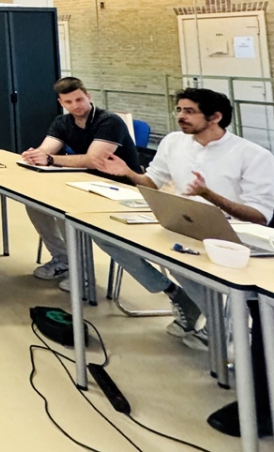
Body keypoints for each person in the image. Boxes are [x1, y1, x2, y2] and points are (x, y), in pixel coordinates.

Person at [96, 89, 274, 438]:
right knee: (109, 235)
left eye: (189, 111)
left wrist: (208, 195)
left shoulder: (252, 155)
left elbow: (260, 216)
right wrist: (128, 173)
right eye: (179, 109)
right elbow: (153, 181)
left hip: (234, 237)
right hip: (184, 223)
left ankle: (222, 329)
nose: (180, 116)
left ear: (215, 117)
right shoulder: (174, 142)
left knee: (195, 264)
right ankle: (196, 308)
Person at [19, 77, 141, 285]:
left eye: (79, 100)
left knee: (64, 208)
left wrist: (50, 159)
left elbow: (95, 160)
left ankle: (83, 273)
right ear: (61, 103)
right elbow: (46, 149)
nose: (75, 106)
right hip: (86, 182)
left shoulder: (109, 121)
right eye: (68, 102)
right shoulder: (62, 122)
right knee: (34, 203)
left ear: (88, 96)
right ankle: (63, 258)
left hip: (120, 188)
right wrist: (35, 155)